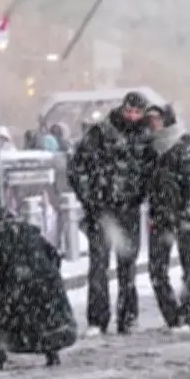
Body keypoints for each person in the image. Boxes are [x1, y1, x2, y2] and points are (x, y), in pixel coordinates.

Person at [68, 91, 154, 336]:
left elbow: (153, 169)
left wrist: (143, 193)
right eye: (130, 111)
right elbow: (77, 166)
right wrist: (89, 197)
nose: (133, 116)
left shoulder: (146, 136)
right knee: (98, 265)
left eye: (138, 112)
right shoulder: (100, 132)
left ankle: (127, 317)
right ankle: (97, 319)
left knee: (127, 265)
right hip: (101, 210)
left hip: (129, 209)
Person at [0, 207, 77, 371]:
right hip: (48, 302)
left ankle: (0, 348)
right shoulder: (32, 234)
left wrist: (4, 281)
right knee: (36, 307)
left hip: (13, 301)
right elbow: (55, 259)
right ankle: (50, 348)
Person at [145, 105, 190, 333]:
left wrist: (185, 212)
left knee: (189, 268)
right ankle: (173, 317)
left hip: (181, 216)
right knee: (157, 270)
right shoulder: (148, 150)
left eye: (156, 118)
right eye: (149, 119)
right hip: (159, 217)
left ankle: (188, 316)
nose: (153, 123)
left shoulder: (181, 146)